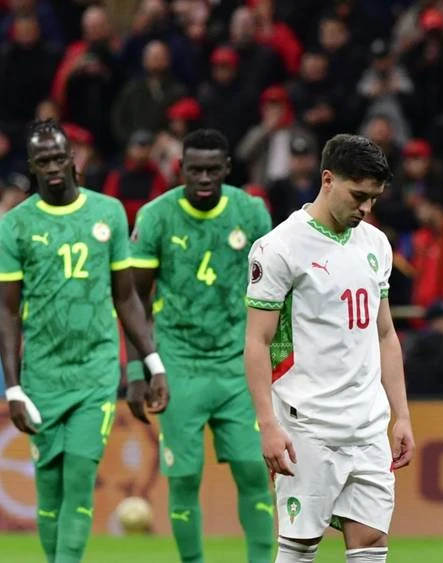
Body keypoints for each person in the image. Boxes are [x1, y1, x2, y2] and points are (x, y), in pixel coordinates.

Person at [0, 119, 169, 562]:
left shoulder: (108, 212)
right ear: (33, 168)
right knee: (50, 488)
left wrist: (152, 363)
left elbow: (127, 296)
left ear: (73, 159)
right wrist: (13, 386)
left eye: (59, 158)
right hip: (42, 374)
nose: (54, 167)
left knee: (79, 476)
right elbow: (7, 310)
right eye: (44, 162)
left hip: (94, 372)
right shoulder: (15, 226)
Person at [244, 134, 414, 563]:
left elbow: (385, 334)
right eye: (358, 196)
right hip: (309, 424)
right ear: (326, 179)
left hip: (368, 425)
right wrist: (267, 423)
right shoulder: (279, 247)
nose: (366, 209)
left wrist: (402, 415)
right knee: (301, 547)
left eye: (373, 199)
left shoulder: (376, 245)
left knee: (372, 541)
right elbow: (257, 341)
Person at [129, 129, 275, 563]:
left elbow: (275, 291)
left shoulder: (250, 212)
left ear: (227, 169)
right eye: (196, 170)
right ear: (181, 170)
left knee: (255, 471)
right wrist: (138, 371)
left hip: (238, 364)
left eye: (214, 169)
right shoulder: (156, 216)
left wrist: (281, 361)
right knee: (184, 477)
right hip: (177, 364)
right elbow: (134, 299)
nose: (205, 178)